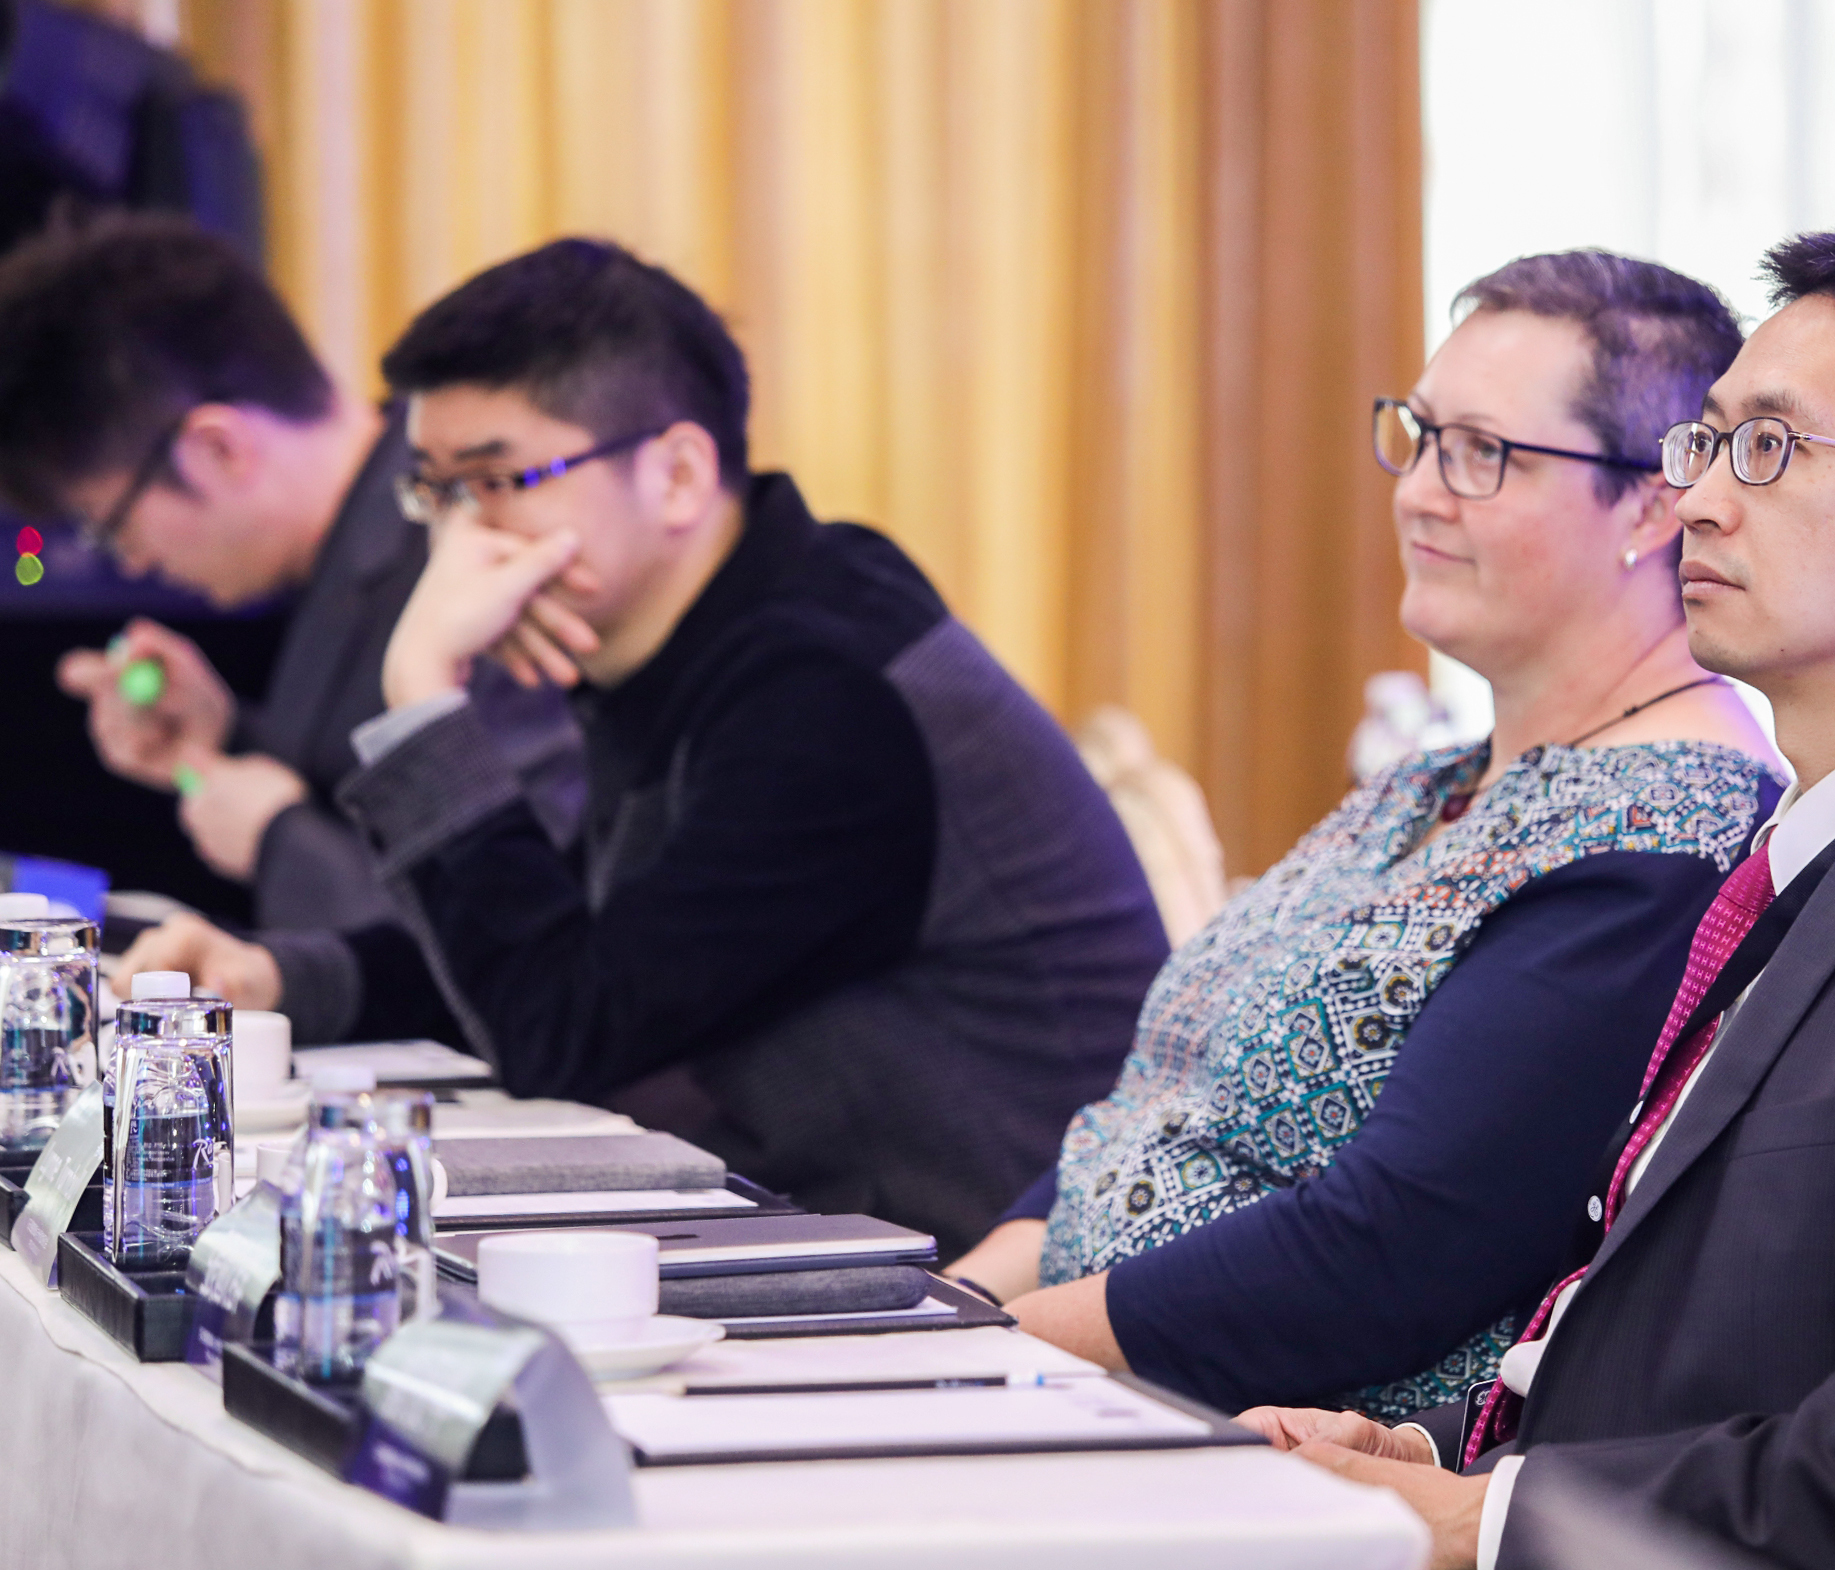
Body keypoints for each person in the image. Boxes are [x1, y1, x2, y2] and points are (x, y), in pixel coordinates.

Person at [1239, 233, 1835, 1570]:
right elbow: (1684, 1353)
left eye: (1768, 448)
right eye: (1703, 444)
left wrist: (1483, 1520)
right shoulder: (1817, 853)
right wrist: (1430, 1455)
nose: (1695, 501)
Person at [136, 238, 1170, 1253]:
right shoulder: (698, 637)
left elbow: (562, 1032)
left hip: (995, 1274)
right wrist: (281, 978)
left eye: (497, 482)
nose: (455, 544)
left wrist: (421, 696)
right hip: (836, 1217)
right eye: (434, 492)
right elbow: (575, 945)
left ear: (676, 475)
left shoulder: (826, 690)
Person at [954, 252, 1785, 1418]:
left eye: (1481, 453)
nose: (1419, 492)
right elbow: (1154, 1109)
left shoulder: (1666, 835)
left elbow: (1389, 1255)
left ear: (1650, 505)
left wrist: (986, 1344)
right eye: (1421, 435)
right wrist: (941, 1305)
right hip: (1086, 1376)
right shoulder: (1437, 777)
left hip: (1294, 1449)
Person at [0, 214, 579, 1041]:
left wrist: (276, 840)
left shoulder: (469, 552)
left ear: (217, 449)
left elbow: (521, 935)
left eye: (109, 524)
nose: (131, 561)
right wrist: (219, 739)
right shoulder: (353, 549)